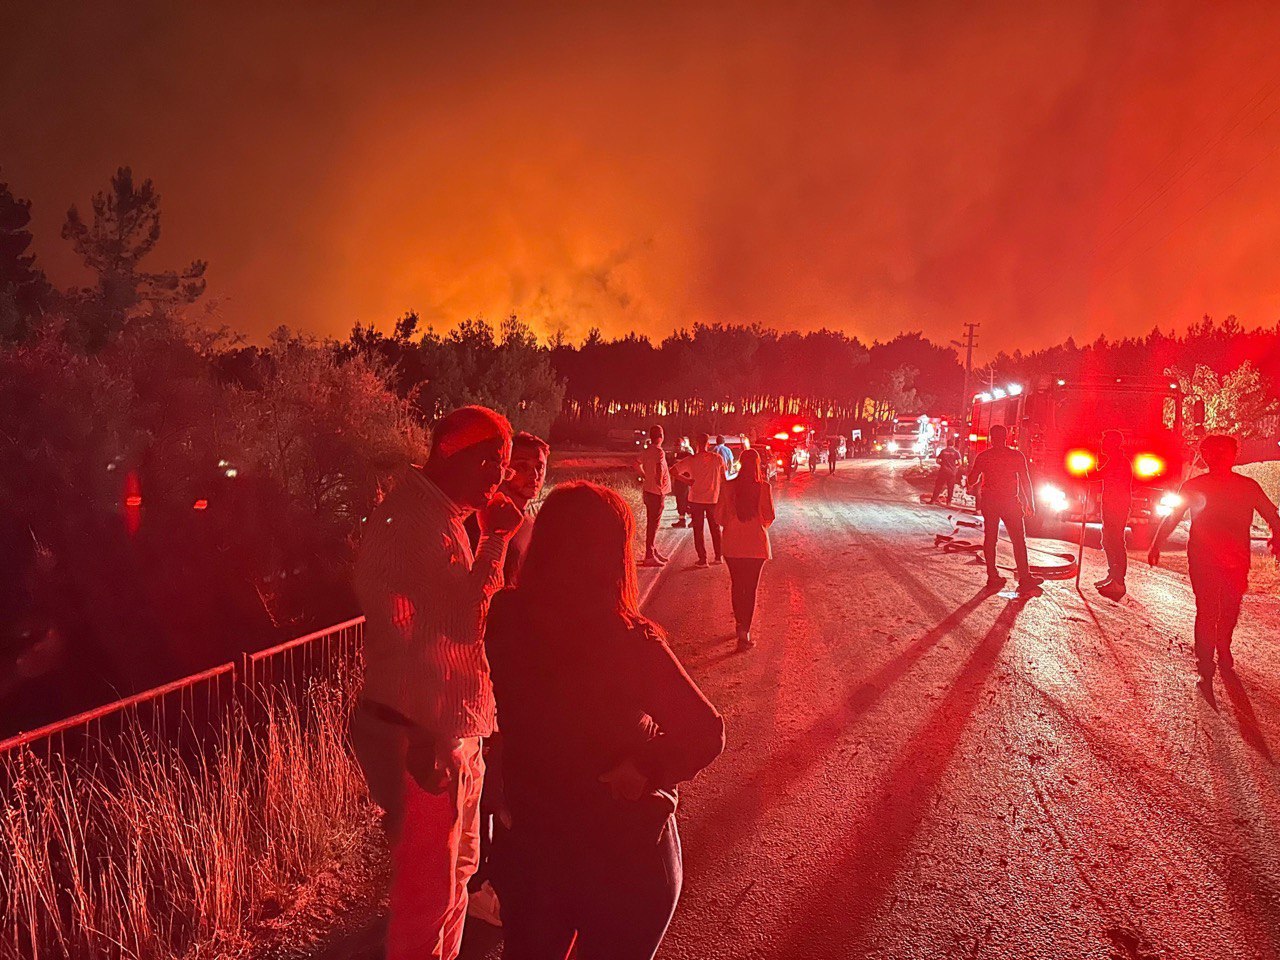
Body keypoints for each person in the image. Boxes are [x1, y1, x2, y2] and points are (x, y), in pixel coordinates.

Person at [486, 482, 725, 960]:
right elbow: (706, 730)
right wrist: (645, 770)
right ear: (613, 553)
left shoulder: (506, 617)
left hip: (534, 845)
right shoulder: (630, 641)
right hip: (623, 851)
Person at [351, 405, 524, 960]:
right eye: (494, 459)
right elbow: (462, 624)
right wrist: (496, 538)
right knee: (429, 893)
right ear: (455, 452)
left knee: (457, 878)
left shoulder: (442, 514)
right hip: (424, 733)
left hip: (452, 725)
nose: (502, 475)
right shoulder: (417, 521)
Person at [461, 430, 550, 926]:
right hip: (489, 658)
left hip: (518, 657)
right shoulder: (491, 518)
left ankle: (493, 873)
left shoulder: (527, 518)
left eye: (540, 465)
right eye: (524, 464)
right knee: (489, 768)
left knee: (503, 769)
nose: (533, 474)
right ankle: (478, 882)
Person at [1148, 434, 1280, 687]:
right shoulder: (1195, 486)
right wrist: (1156, 544)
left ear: (1233, 456)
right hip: (1203, 558)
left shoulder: (1248, 487)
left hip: (1234, 558)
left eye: (1224, 452)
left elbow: (1272, 516)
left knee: (1230, 608)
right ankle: (1205, 663)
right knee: (1207, 610)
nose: (1219, 457)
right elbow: (1173, 517)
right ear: (1206, 457)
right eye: (1214, 453)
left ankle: (1223, 646)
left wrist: (1278, 536)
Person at [966, 424, 1043, 592]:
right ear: (1006, 437)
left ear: (991, 438)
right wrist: (1031, 503)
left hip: (990, 501)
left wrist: (970, 477)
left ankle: (992, 576)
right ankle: (1024, 577)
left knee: (990, 539)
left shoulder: (984, 456)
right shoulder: (1016, 456)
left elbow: (972, 479)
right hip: (1010, 502)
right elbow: (1025, 480)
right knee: (1018, 540)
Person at [715, 448, 775, 651]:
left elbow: (718, 517)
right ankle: (744, 633)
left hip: (732, 542)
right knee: (750, 589)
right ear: (758, 465)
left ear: (740, 463)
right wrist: (759, 526)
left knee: (736, 584)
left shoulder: (728, 487)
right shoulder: (764, 488)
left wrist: (731, 525)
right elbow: (769, 515)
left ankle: (739, 623)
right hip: (756, 544)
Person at [676, 433, 727, 568]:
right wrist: (724, 496)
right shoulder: (717, 459)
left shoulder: (691, 460)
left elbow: (673, 471)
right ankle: (718, 556)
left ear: (696, 443)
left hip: (696, 499)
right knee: (715, 528)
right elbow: (724, 479)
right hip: (713, 498)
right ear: (708, 444)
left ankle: (702, 559)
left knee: (698, 530)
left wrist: (687, 481)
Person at [1094, 429, 1133, 600]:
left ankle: (1118, 582)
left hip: (1117, 507)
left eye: (1105, 441)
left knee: (1115, 542)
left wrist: (1082, 474)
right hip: (1112, 505)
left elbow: (1098, 475)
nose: (1102, 444)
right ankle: (1113, 575)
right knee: (1108, 540)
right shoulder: (1114, 460)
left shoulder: (1118, 462)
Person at [635, 425, 672, 567]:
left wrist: (645, 476)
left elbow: (635, 464)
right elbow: (659, 468)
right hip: (657, 492)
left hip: (647, 491)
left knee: (652, 522)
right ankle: (649, 555)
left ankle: (652, 550)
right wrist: (659, 481)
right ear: (661, 436)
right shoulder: (659, 452)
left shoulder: (646, 451)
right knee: (653, 524)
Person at [670, 437, 695, 527]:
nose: (677, 447)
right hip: (678, 481)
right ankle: (682, 520)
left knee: (686, 500)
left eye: (678, 446)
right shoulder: (676, 454)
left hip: (685, 481)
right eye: (676, 446)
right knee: (680, 501)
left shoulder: (687, 455)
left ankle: (692, 519)